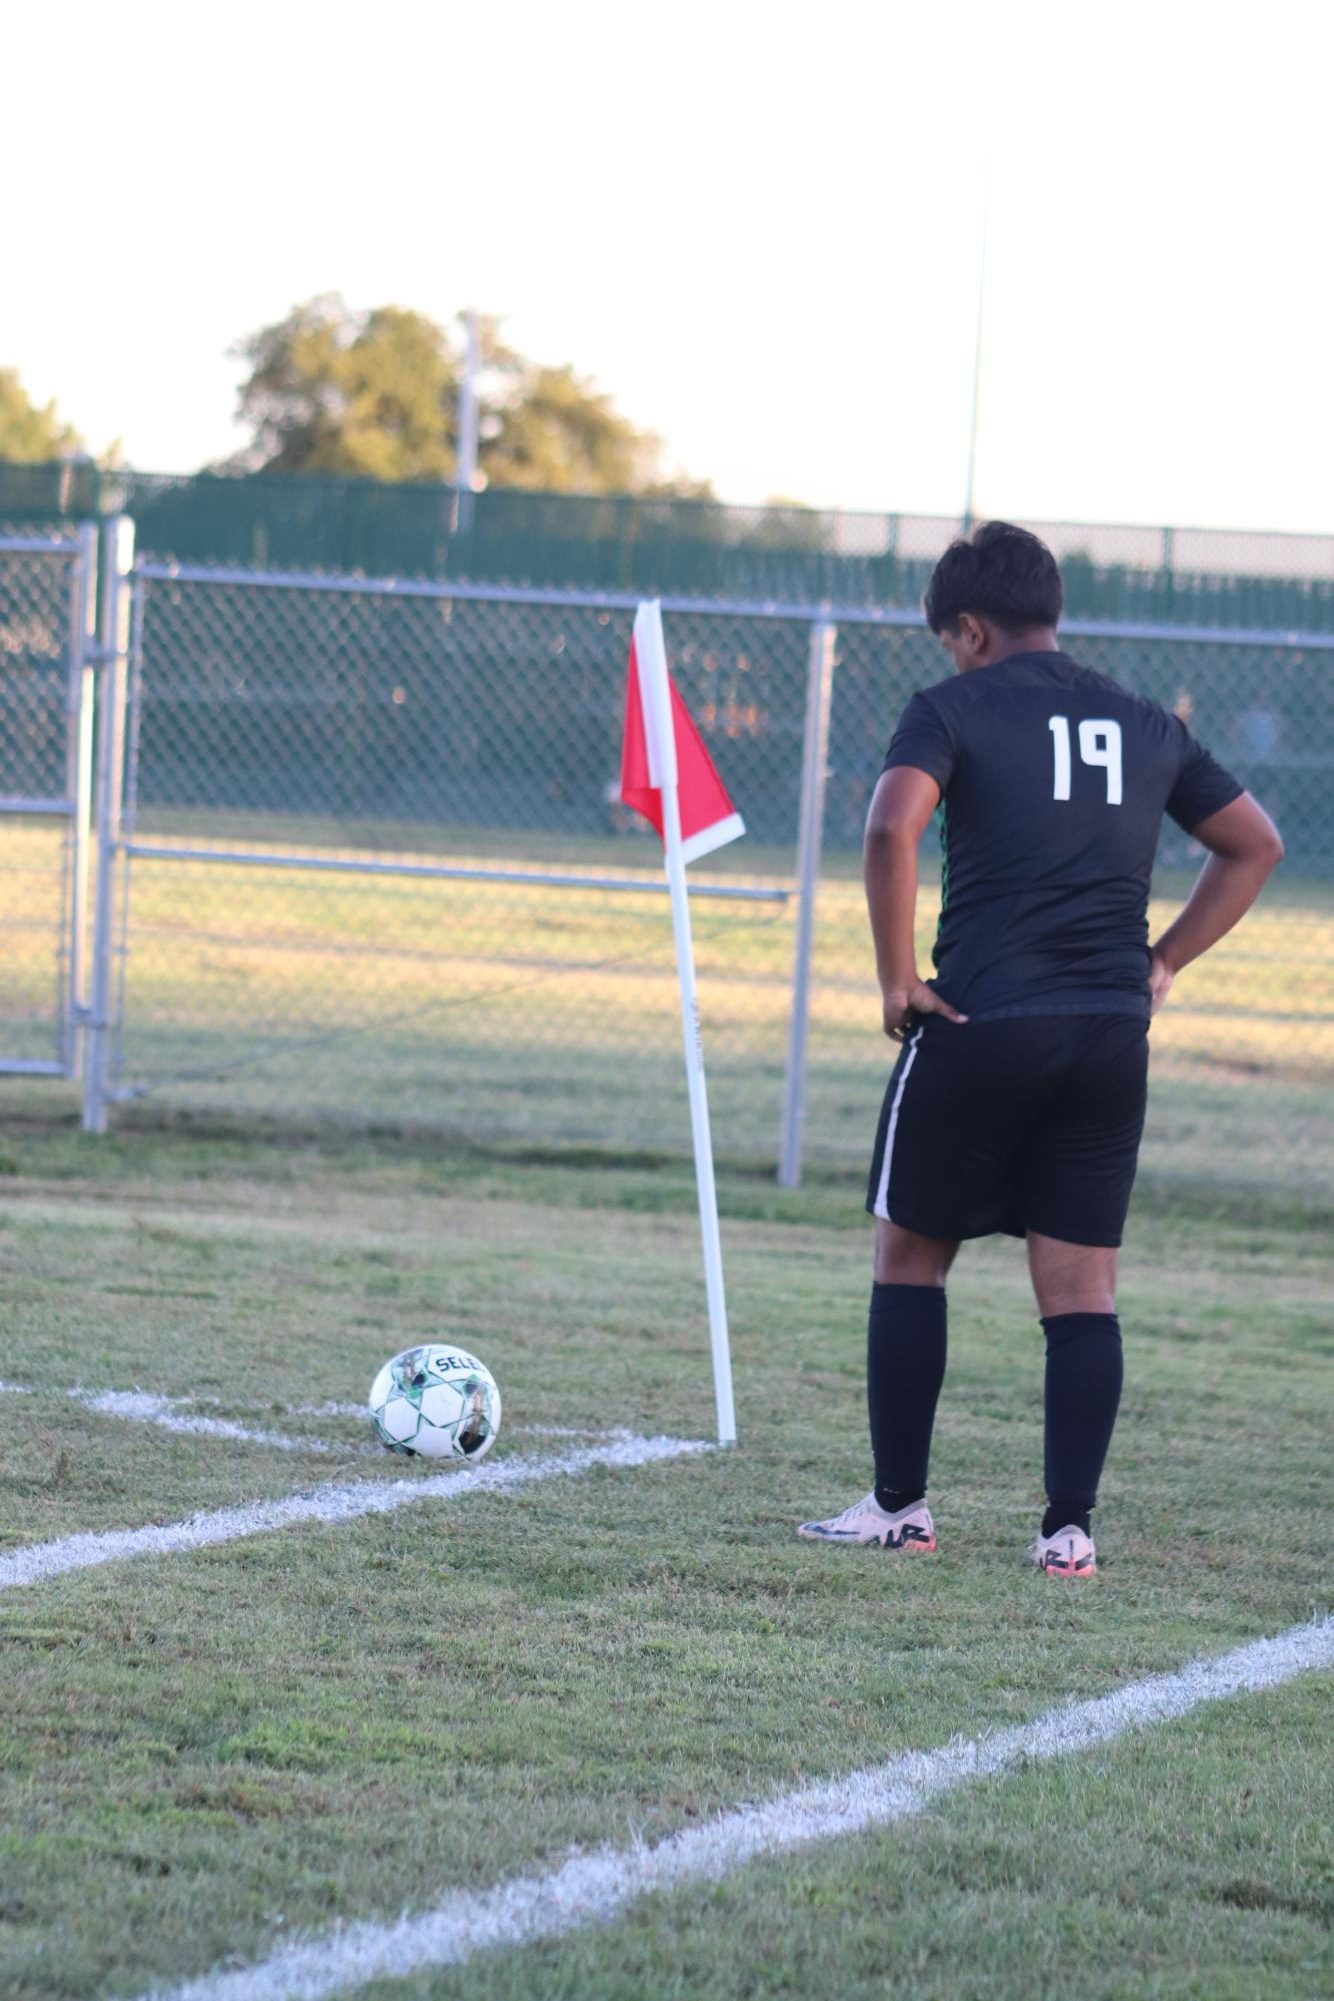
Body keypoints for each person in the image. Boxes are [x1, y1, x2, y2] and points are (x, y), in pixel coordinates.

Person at [798, 522, 1283, 1578]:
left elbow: (889, 827)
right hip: (1109, 1031)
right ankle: (1068, 1531)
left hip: (978, 1020)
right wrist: (1161, 963)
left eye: (947, 641)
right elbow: (1254, 844)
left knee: (908, 1258)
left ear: (967, 629)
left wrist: (895, 978)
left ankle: (898, 1507)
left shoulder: (952, 707)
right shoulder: (1145, 720)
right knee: (1080, 1291)